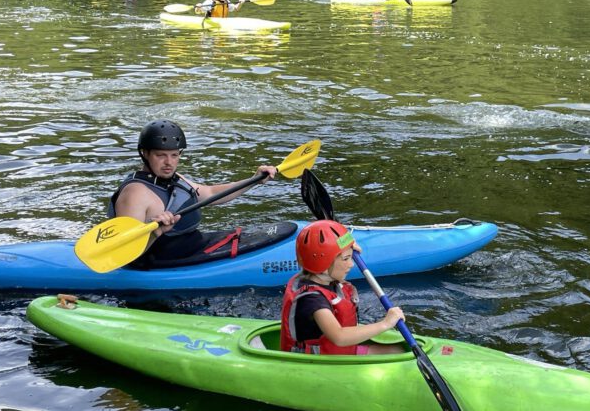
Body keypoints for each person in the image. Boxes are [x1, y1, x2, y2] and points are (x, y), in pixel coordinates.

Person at [108, 119, 278, 263]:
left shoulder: (172, 178)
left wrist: (253, 180)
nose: (169, 162)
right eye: (161, 155)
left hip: (196, 246)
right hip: (166, 264)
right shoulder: (134, 195)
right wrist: (155, 232)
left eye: (174, 155)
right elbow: (125, 255)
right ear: (145, 154)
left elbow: (211, 193)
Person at [280, 220, 406, 355]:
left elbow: (324, 251)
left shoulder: (322, 277)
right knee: (396, 352)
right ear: (323, 263)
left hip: (337, 351)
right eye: (346, 259)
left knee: (397, 350)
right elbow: (339, 337)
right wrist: (385, 324)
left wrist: (347, 246)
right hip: (318, 361)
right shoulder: (312, 300)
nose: (351, 264)